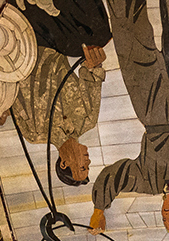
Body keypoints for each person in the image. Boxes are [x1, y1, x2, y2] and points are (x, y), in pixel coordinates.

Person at [90, 0, 169, 236]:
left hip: (151, 108)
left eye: (164, 221)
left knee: (128, 36)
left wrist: (99, 209)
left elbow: (114, 177)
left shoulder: (148, 183)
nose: (165, 216)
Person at [11, 45, 103, 186]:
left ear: (64, 163)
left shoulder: (33, 134)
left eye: (83, 166)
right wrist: (94, 63)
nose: (88, 161)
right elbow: (92, 75)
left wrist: (0, 111)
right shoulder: (88, 120)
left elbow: (10, 100)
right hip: (55, 45)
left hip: (18, 57)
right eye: (88, 166)